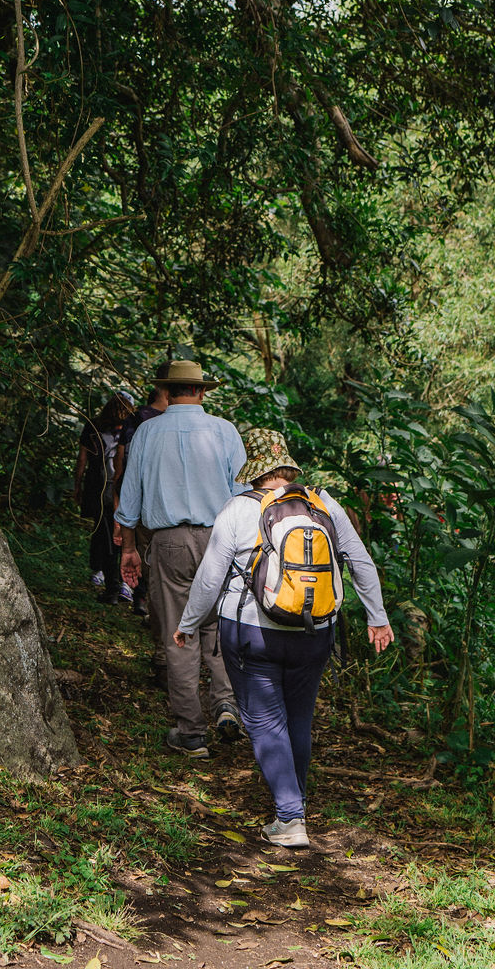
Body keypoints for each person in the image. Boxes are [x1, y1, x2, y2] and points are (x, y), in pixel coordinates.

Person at [174, 428, 394, 848]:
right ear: (288, 466)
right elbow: (360, 561)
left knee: (264, 720)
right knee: (298, 718)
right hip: (315, 632)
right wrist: (377, 618)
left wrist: (188, 624)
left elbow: (209, 578)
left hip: (252, 632)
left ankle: (290, 817)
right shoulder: (323, 503)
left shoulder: (239, 508)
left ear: (255, 470)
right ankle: (295, 802)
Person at [116, 358, 247, 756]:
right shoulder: (224, 431)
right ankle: (226, 703)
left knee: (179, 631)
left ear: (166, 392)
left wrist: (128, 547)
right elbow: (243, 493)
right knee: (218, 623)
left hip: (169, 541)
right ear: (202, 391)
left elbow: (130, 497)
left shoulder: (148, 432)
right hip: (221, 537)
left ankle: (191, 732)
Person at [114, 363, 171, 625]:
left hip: (146, 496)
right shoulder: (152, 420)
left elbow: (122, 457)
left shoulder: (139, 418)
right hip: (162, 497)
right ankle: (153, 604)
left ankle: (146, 600)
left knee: (146, 551)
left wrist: (120, 488)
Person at [74, 392, 134, 603]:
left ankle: (110, 583)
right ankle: (123, 584)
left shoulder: (94, 426)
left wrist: (78, 485)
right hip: (123, 488)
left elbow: (82, 458)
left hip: (101, 486)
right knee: (124, 534)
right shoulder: (133, 429)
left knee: (105, 533)